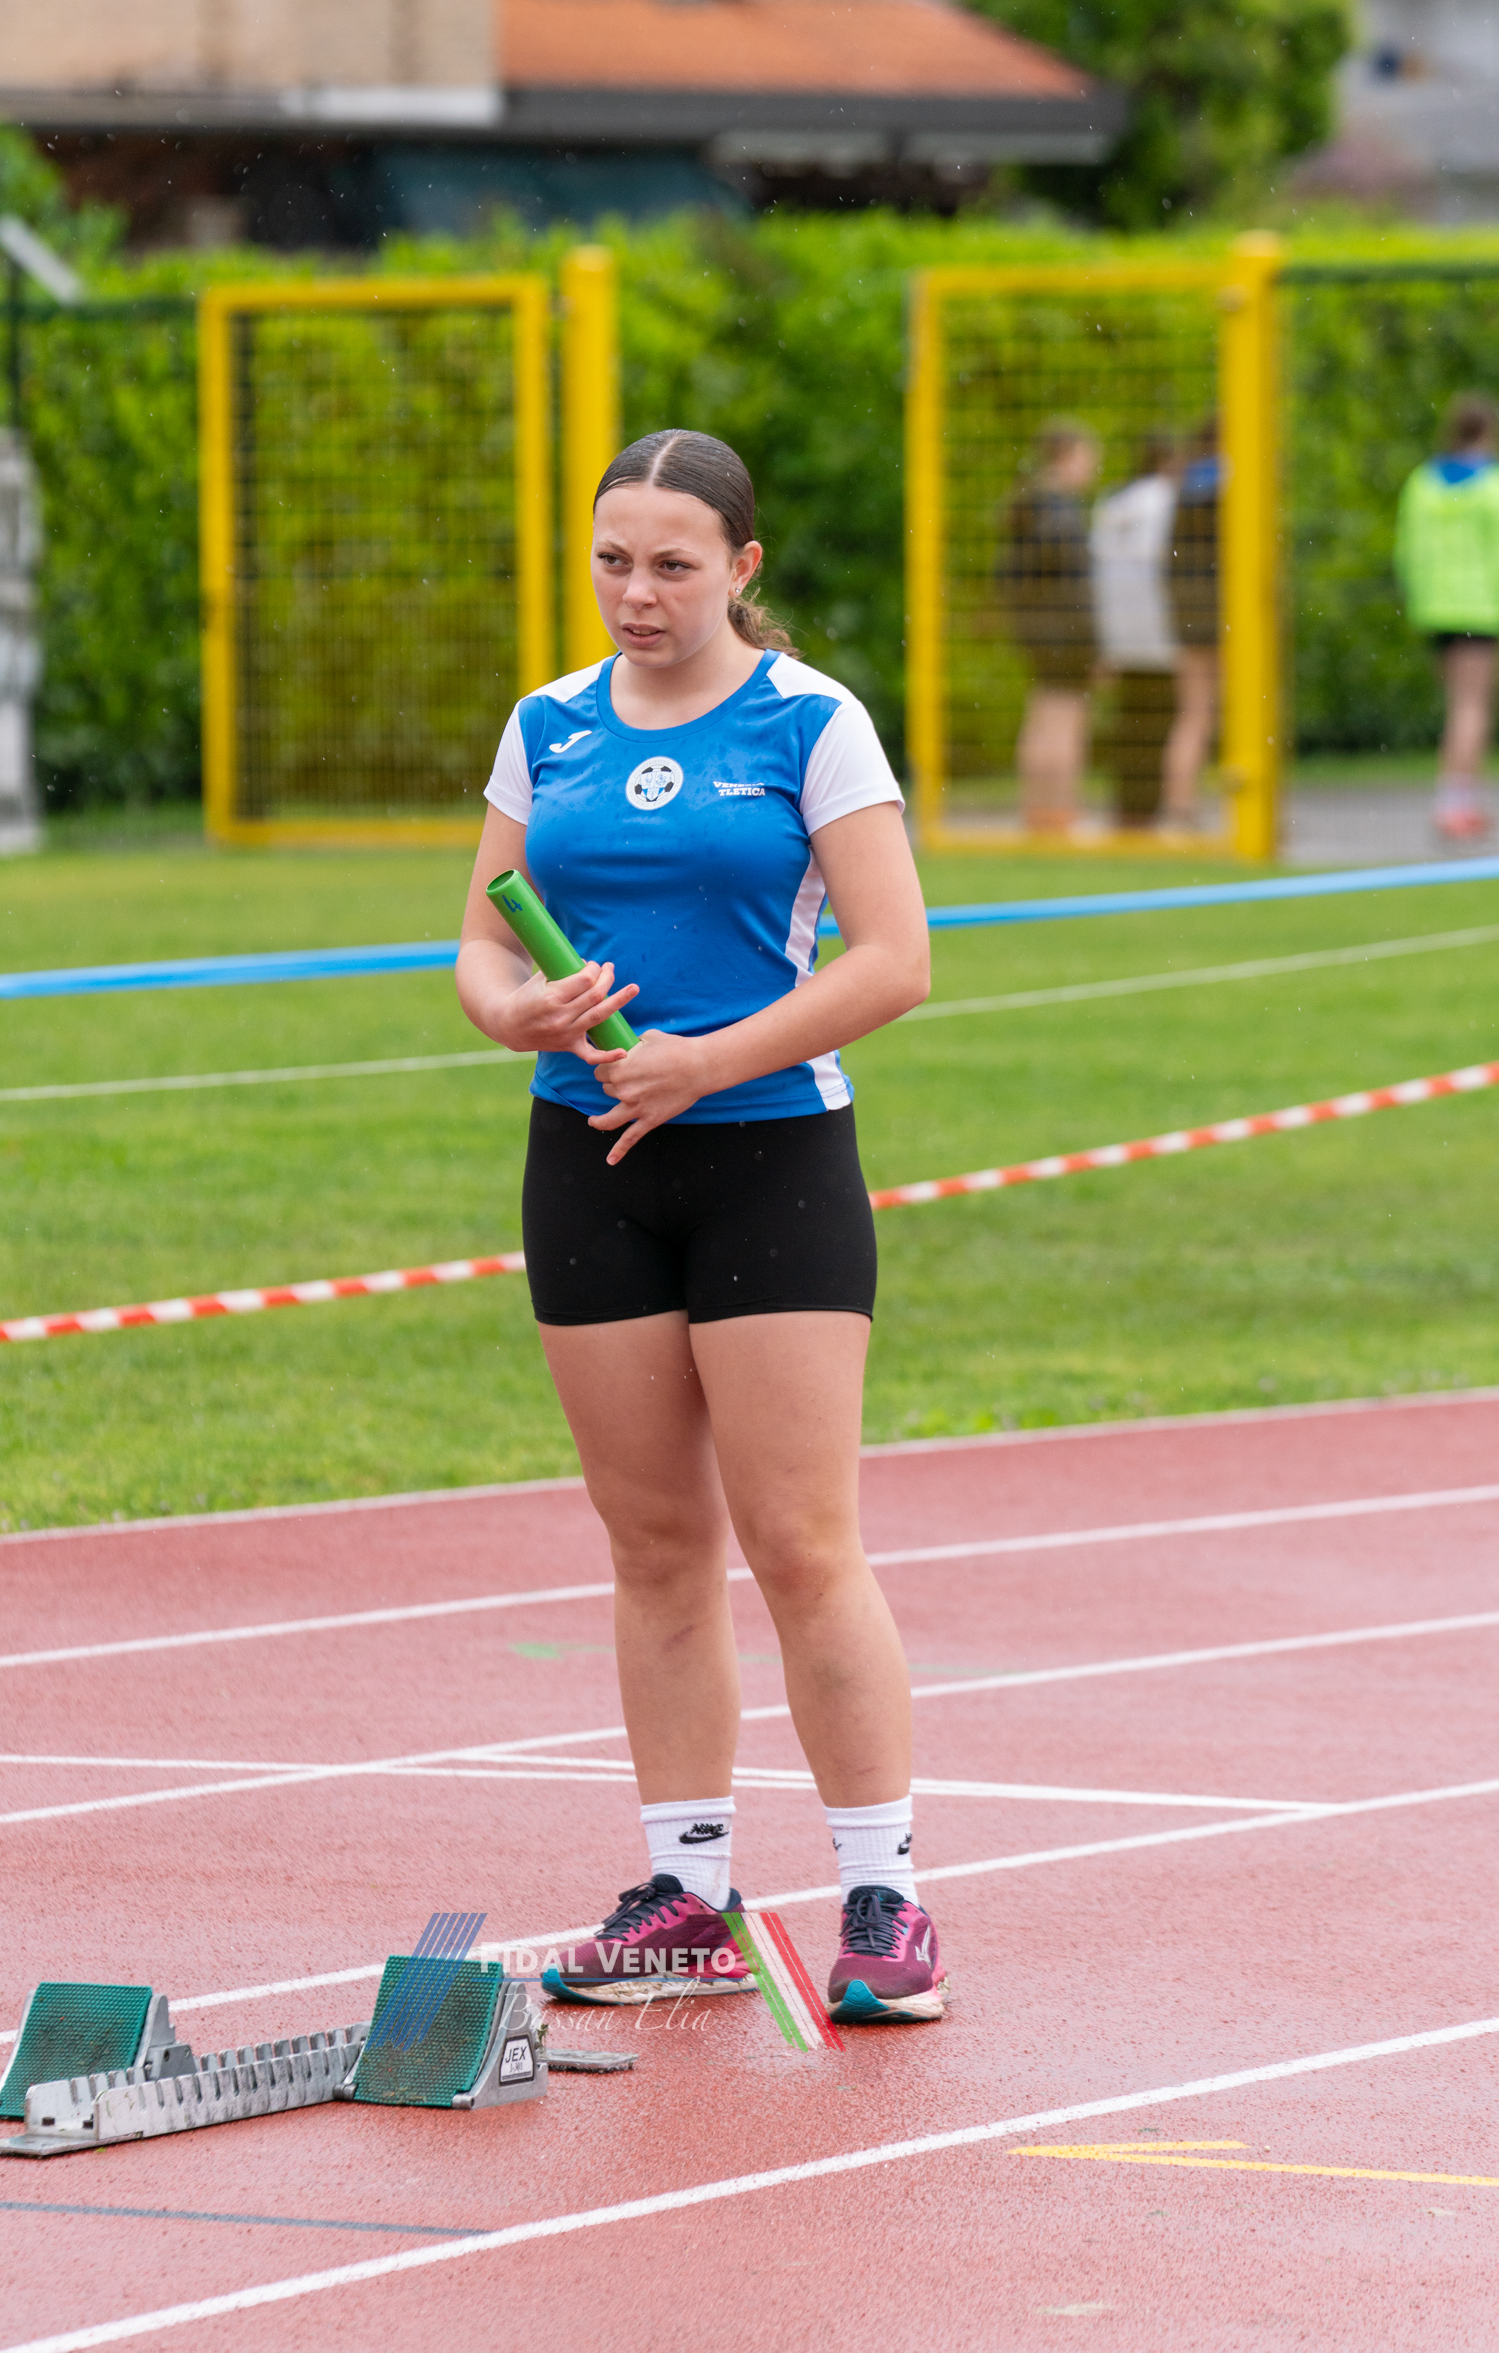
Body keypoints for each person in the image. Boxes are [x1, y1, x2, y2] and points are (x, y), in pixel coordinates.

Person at [455, 428, 944, 2027]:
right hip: (587, 1159)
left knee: (799, 1540)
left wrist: (708, 1061)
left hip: (766, 1159)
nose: (636, 592)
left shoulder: (809, 720)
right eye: (612, 560)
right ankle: (684, 1893)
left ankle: (883, 1891)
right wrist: (518, 1011)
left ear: (741, 566)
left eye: (671, 563)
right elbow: (477, 945)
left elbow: (893, 958)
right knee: (654, 1543)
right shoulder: (548, 724)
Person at [1394, 393, 1499, 842]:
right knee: (1473, 708)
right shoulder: (1498, 487)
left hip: (1437, 610)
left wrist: (1420, 603)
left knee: (1458, 706)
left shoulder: (1422, 483)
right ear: (1491, 432)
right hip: (1483, 609)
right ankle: (1455, 804)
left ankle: (1462, 799)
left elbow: (1409, 552)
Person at [998, 421, 1099, 836]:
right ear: (1066, 457)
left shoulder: (1027, 509)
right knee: (1066, 721)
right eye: (1087, 457)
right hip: (1067, 634)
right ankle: (1061, 812)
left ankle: (1036, 811)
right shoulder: (1064, 516)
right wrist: (1094, 646)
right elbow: (1079, 591)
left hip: (1036, 632)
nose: (1092, 468)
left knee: (1041, 717)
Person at [1090, 432, 1180, 830]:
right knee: (1161, 727)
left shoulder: (1113, 504)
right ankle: (1158, 808)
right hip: (1162, 634)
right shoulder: (1168, 502)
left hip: (1119, 636)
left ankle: (1129, 807)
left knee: (1130, 726)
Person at [1163, 415, 1221, 830]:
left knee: (1193, 712)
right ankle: (1189, 806)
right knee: (1210, 713)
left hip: (1187, 612)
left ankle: (1180, 805)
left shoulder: (1184, 484)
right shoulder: (1227, 484)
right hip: (1222, 614)